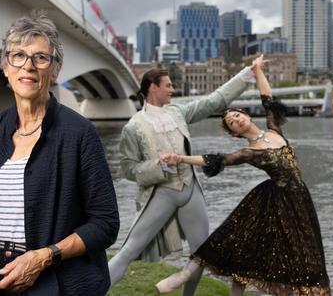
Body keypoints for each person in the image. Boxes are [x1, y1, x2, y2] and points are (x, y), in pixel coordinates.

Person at [0, 10, 119, 296]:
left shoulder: (79, 134)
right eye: (18, 55)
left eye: (41, 57)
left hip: (60, 283)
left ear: (55, 69)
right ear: (6, 66)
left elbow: (105, 223)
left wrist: (44, 257)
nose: (28, 66)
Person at [154, 54, 331, 296]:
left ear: (245, 115)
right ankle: (184, 274)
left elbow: (268, 99)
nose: (236, 120)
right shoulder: (250, 152)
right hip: (273, 201)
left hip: (299, 202)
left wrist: (257, 70)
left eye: (236, 115)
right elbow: (216, 160)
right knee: (239, 244)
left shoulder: (274, 129)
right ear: (235, 133)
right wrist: (181, 158)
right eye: (231, 122)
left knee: (298, 256)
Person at [108, 66, 254, 296]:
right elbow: (128, 169)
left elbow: (212, 102)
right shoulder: (133, 127)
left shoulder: (177, 112)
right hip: (161, 194)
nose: (172, 90)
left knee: (200, 254)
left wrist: (246, 75)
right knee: (129, 251)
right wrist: (158, 166)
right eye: (168, 85)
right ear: (153, 87)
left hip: (190, 189)